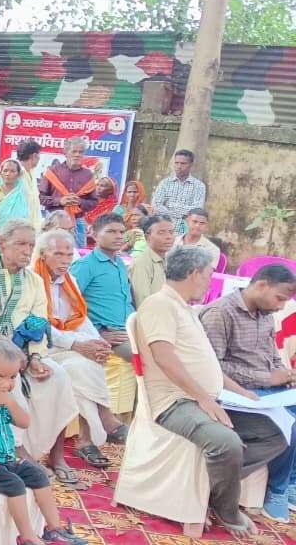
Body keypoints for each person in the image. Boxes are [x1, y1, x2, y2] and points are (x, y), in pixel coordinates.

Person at [135, 246, 286, 538]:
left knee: (274, 434)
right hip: (176, 401)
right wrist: (205, 399)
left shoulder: (184, 307)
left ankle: (212, 489)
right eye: (208, 274)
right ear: (194, 273)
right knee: (227, 443)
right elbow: (164, 357)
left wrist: (241, 392)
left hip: (208, 398)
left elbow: (207, 363)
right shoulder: (160, 304)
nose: (210, 281)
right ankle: (226, 508)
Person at [0, 219, 80, 479]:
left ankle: (56, 454)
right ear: (1, 244)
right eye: (20, 244)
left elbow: (38, 324)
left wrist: (36, 358)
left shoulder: (34, 281)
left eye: (30, 245)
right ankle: (17, 449)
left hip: (22, 352)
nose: (26, 251)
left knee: (60, 376)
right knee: (10, 381)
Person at [0, 338, 88, 545]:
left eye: (12, 377)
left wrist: (10, 403)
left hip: (4, 459)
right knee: (14, 484)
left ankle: (54, 528)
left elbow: (24, 422)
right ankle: (27, 537)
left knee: (38, 474)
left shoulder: (4, 398)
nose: (6, 384)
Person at [197, 264, 296, 521]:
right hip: (233, 396)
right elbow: (212, 367)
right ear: (261, 285)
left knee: (290, 419)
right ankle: (277, 491)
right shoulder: (220, 313)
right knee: (286, 430)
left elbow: (271, 356)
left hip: (264, 391)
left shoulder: (265, 314)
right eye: (280, 298)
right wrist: (267, 378)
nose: (281, 307)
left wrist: (285, 376)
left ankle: (289, 482)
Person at [34, 230, 128, 474]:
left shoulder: (69, 281)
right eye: (58, 254)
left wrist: (97, 343)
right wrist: (78, 345)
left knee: (91, 359)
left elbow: (80, 319)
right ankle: (101, 421)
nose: (65, 260)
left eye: (68, 254)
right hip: (41, 345)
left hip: (66, 343)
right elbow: (39, 326)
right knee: (79, 366)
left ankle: (91, 434)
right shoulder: (33, 281)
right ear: (43, 255)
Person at [69, 213, 137, 417]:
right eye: (111, 231)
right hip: (110, 335)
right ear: (94, 234)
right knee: (148, 360)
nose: (118, 236)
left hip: (129, 330)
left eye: (122, 232)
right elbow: (70, 304)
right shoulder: (86, 265)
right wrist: (97, 333)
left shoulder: (120, 264)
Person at [37, 137, 98, 248]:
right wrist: (60, 201)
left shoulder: (88, 175)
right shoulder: (52, 171)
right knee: (49, 249)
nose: (77, 155)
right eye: (74, 151)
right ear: (65, 152)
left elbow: (94, 202)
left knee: (78, 253)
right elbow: (40, 198)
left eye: (81, 152)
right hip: (54, 220)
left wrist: (80, 202)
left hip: (77, 221)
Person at [151, 150, 206, 234]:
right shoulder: (165, 183)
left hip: (186, 232)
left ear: (191, 165)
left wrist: (171, 206)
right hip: (165, 230)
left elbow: (196, 210)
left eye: (183, 163)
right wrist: (182, 213)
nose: (179, 166)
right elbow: (156, 205)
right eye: (177, 163)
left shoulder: (199, 186)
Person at [130, 214, 175, 308]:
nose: (169, 237)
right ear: (147, 236)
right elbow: (142, 303)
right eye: (161, 233)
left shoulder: (168, 260)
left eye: (171, 232)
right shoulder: (142, 263)